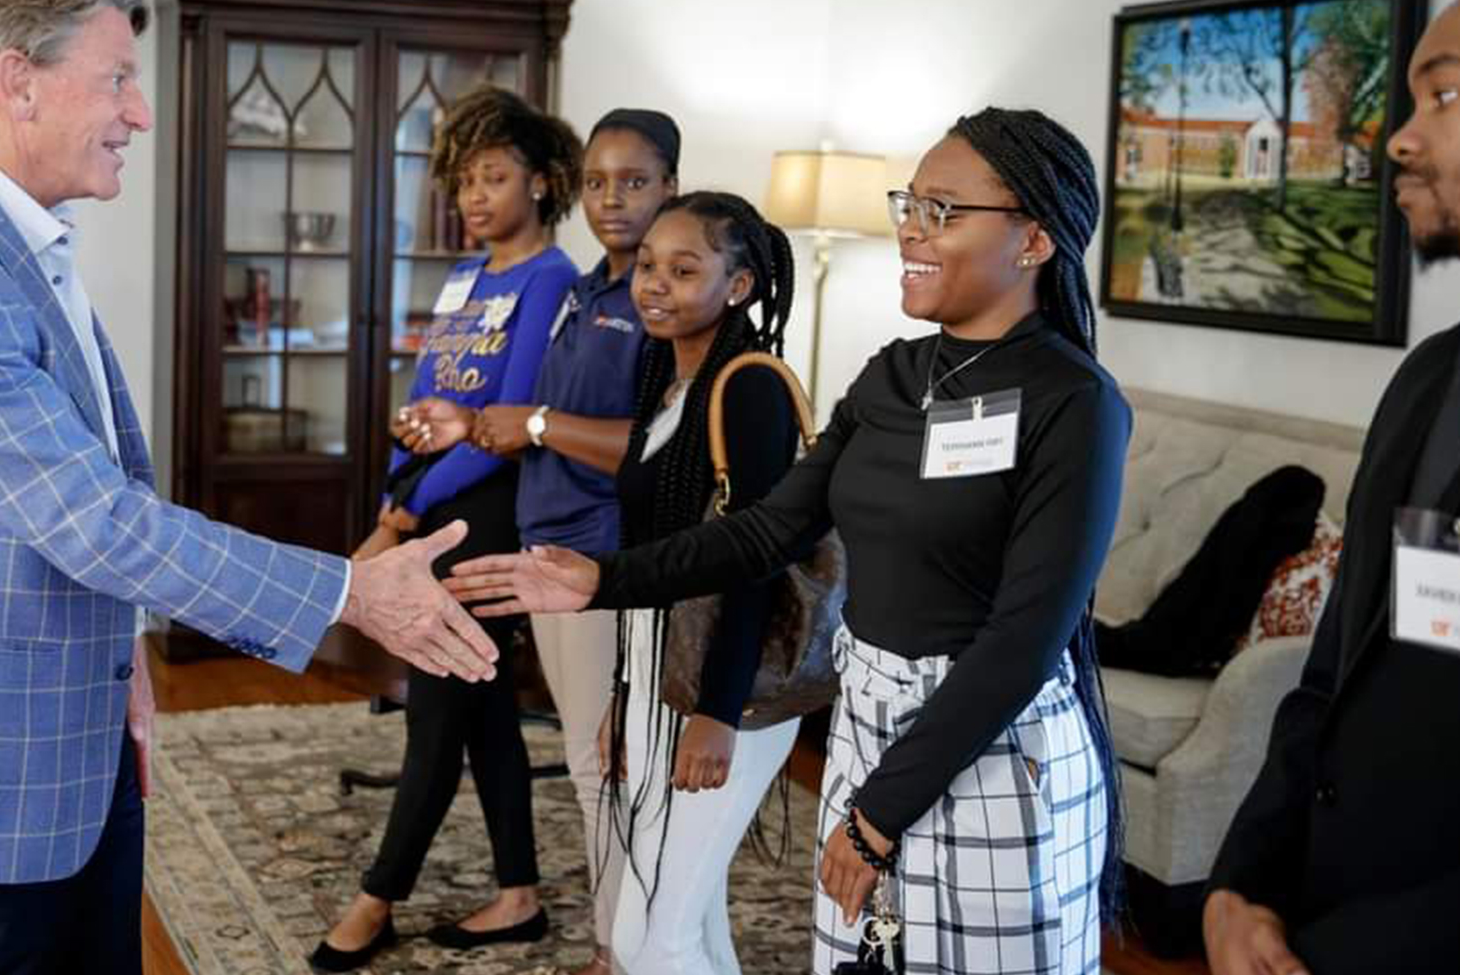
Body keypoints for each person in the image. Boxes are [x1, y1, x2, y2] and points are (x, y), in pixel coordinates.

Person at [0, 0, 501, 975]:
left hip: (62, 732)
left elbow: (67, 497)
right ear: (19, 80)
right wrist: (350, 592)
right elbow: (90, 517)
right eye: (117, 81)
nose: (139, 115)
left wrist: (124, 656)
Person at [451, 106, 1130, 975]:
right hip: (868, 724)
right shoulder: (893, 376)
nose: (910, 233)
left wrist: (879, 815)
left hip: (993, 749)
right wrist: (598, 579)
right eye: (909, 204)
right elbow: (766, 531)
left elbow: (1026, 640)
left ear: (1033, 240)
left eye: (943, 212)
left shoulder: (1075, 401)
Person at [1203, 0, 1460, 975]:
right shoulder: (1433, 377)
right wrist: (1242, 880)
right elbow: (1339, 662)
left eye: (1444, 94)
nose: (1399, 137)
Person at [395, 107, 680, 974]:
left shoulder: (654, 296)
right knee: (587, 757)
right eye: (599, 182)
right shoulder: (590, 289)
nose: (611, 200)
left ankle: (614, 950)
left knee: (604, 768)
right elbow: (520, 420)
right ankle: (607, 932)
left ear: (670, 185)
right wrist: (468, 423)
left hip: (602, 552)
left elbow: (645, 444)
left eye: (633, 183)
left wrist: (537, 424)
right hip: (546, 542)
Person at [312, 85, 582, 972]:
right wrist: (404, 465)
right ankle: (519, 894)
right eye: (464, 180)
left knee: (436, 709)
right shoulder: (467, 277)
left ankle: (376, 899)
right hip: (433, 494)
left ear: (541, 184)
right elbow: (435, 397)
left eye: (493, 177)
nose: (473, 196)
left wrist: (401, 514)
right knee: (482, 707)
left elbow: (507, 421)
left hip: (490, 508)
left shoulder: (552, 280)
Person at [607, 190, 801, 975]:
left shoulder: (750, 386)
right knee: (689, 922)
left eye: (684, 270)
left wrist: (718, 712)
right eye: (648, 265)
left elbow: (755, 561)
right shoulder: (663, 374)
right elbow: (647, 546)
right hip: (658, 664)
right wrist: (626, 690)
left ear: (740, 286)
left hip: (729, 678)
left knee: (654, 937)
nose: (655, 283)